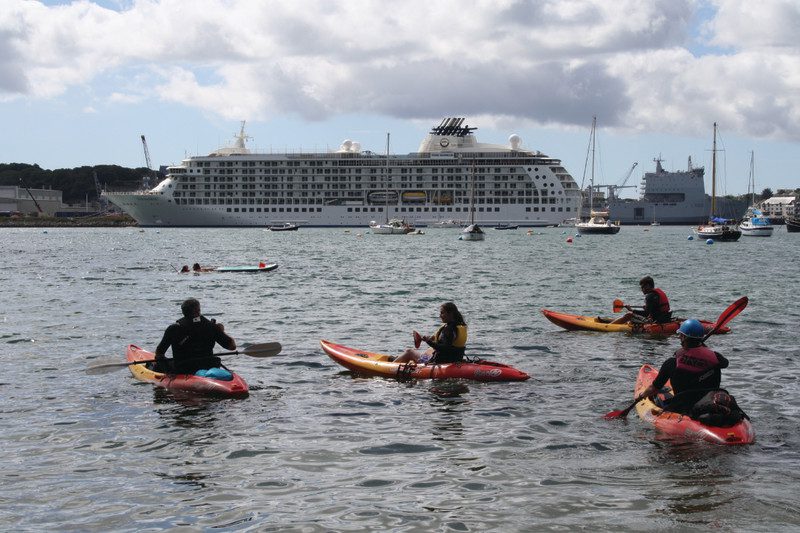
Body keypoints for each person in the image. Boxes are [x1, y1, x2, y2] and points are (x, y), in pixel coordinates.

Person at [635, 318, 729, 414]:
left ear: (683, 337)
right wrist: (703, 348)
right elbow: (725, 363)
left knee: (658, 397)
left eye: (680, 335)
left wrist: (641, 396)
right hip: (709, 403)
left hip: (682, 408)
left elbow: (655, 388)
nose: (679, 337)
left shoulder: (672, 362)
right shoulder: (716, 358)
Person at [154, 298, 236, 375]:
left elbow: (159, 353)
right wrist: (221, 331)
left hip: (184, 369)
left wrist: (167, 371)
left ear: (183, 312)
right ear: (198, 310)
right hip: (209, 366)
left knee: (156, 363)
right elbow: (232, 347)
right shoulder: (211, 326)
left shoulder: (174, 328)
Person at [394, 302, 467, 365]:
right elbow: (445, 342)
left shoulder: (448, 329)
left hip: (442, 362)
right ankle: (409, 360)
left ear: (450, 314)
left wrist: (428, 342)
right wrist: (429, 339)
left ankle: (390, 365)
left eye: (442, 313)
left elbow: (444, 349)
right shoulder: (460, 326)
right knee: (430, 349)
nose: (440, 316)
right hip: (456, 359)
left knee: (409, 352)